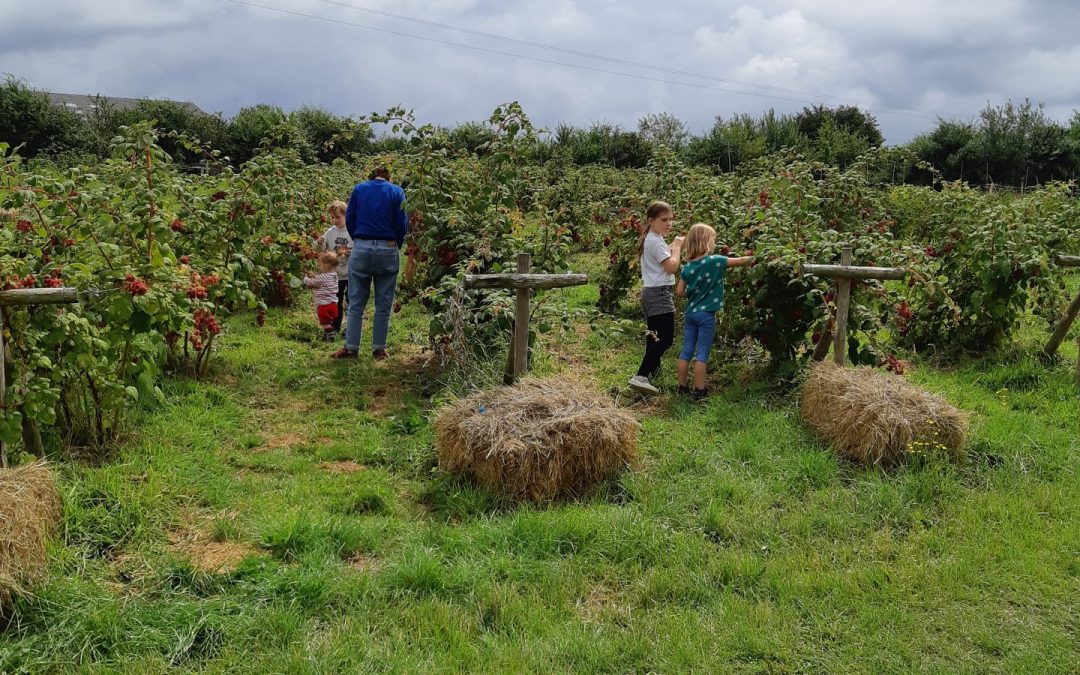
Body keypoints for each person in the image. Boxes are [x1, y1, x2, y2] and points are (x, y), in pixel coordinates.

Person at [332, 166, 409, 360]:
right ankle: (379, 350)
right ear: (388, 178)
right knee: (383, 303)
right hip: (387, 248)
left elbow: (350, 218)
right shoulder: (397, 191)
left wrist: (359, 239)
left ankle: (351, 348)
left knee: (356, 302)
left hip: (362, 247)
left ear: (371, 177)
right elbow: (402, 222)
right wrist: (396, 243)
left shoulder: (359, 189)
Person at [675, 223, 753, 401]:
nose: (714, 243)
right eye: (713, 239)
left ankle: (682, 387)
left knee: (686, 351)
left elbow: (679, 292)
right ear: (705, 241)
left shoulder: (687, 267)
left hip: (691, 314)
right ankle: (700, 391)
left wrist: (694, 291)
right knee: (702, 353)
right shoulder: (715, 261)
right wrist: (760, 257)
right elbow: (741, 261)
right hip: (706, 316)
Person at [628, 201, 684, 395]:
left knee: (654, 337)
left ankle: (653, 375)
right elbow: (671, 267)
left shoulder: (652, 239)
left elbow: (660, 257)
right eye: (664, 220)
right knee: (666, 338)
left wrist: (670, 246)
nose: (669, 223)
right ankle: (641, 376)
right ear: (651, 221)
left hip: (651, 292)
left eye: (670, 219)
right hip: (659, 293)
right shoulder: (655, 240)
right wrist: (677, 248)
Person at [316, 201, 351, 334]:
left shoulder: (351, 231)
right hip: (335, 274)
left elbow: (357, 248)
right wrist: (319, 243)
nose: (335, 220)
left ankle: (350, 327)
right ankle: (336, 326)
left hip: (350, 271)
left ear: (346, 216)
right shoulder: (330, 232)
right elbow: (321, 250)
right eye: (332, 217)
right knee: (336, 301)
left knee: (351, 300)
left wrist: (350, 251)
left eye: (338, 217)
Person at [304, 252, 341, 342]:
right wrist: (315, 276)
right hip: (333, 304)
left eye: (320, 265)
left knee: (325, 323)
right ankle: (327, 335)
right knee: (328, 321)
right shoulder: (334, 275)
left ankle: (330, 337)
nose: (318, 267)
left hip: (324, 304)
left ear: (326, 265)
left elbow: (311, 283)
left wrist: (306, 279)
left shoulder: (323, 277)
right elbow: (322, 280)